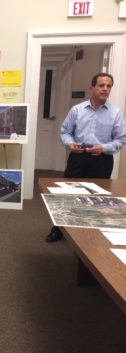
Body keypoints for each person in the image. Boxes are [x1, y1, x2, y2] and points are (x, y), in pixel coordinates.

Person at [46, 72, 126, 242]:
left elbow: (121, 139)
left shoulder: (115, 113)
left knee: (98, 196)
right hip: (78, 157)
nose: (105, 89)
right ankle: (58, 229)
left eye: (108, 86)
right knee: (67, 194)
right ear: (92, 88)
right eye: (101, 85)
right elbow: (65, 132)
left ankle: (92, 233)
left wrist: (103, 148)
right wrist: (70, 144)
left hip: (102, 159)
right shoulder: (77, 110)